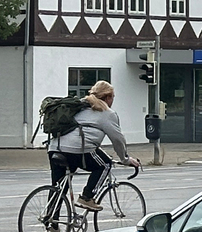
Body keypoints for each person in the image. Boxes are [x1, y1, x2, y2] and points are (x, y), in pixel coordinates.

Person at [46, 80, 139, 219]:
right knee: (105, 164)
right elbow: (118, 140)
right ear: (107, 97)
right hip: (77, 150)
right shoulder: (107, 113)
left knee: (59, 186)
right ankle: (87, 197)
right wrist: (125, 159)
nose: (113, 100)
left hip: (55, 147)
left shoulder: (79, 107)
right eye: (113, 97)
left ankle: (51, 223)